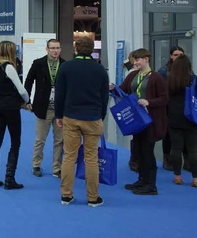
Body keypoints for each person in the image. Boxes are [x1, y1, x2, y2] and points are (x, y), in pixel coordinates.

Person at [55, 37, 109, 207]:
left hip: (71, 117)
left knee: (69, 157)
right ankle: (93, 197)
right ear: (92, 49)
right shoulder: (100, 69)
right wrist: (100, 116)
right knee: (91, 158)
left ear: (75, 48)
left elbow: (59, 94)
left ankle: (66, 195)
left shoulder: (66, 67)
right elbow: (104, 97)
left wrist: (59, 115)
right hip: (93, 117)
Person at [114, 48, 168, 195]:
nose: (135, 62)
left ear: (146, 59)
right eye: (134, 60)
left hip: (151, 121)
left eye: (138, 60)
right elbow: (122, 90)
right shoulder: (133, 75)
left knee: (148, 153)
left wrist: (149, 102)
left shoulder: (156, 78)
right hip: (136, 120)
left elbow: (164, 98)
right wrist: (113, 88)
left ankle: (151, 185)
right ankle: (142, 180)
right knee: (138, 151)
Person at [0, 40, 30, 190]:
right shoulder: (9, 67)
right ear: (11, 51)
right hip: (11, 107)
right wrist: (27, 101)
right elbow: (22, 90)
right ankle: (9, 179)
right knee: (15, 142)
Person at [24, 39, 65, 178]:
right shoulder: (38, 63)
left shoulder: (65, 65)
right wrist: (27, 100)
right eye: (53, 48)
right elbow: (28, 81)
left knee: (59, 140)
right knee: (40, 139)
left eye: (58, 48)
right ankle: (36, 164)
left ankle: (57, 168)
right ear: (47, 49)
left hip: (61, 110)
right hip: (43, 107)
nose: (55, 50)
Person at [166, 55, 197, 187]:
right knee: (193, 150)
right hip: (193, 118)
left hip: (174, 118)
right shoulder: (195, 80)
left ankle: (177, 176)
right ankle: (196, 179)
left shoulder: (169, 81)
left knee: (176, 148)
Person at [158, 46, 187, 171]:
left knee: (185, 134)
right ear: (171, 56)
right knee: (168, 134)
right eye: (175, 54)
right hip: (168, 107)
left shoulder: (188, 71)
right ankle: (167, 159)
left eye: (181, 54)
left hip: (183, 107)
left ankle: (187, 160)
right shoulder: (164, 71)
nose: (178, 57)